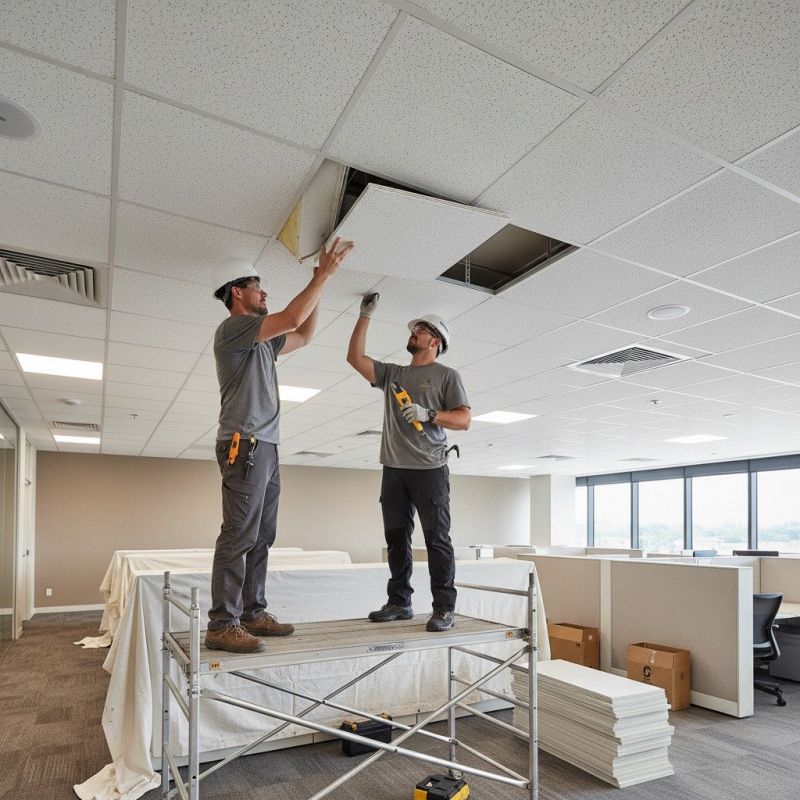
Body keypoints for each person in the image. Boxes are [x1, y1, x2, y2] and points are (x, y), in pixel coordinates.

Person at [206, 238, 354, 653]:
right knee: (239, 533)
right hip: (244, 444)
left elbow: (303, 332)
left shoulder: (262, 343)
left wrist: (318, 285)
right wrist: (324, 272)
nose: (264, 292)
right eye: (258, 286)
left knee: (262, 534)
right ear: (237, 292)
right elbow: (291, 317)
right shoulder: (234, 330)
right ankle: (222, 623)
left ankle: (252, 612)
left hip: (265, 446)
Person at [347, 293, 471, 632]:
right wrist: (364, 314)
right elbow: (354, 357)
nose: (413, 333)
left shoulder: (447, 376)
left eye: (420, 330)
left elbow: (464, 420)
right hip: (394, 470)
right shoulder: (394, 374)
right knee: (397, 539)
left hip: (430, 470)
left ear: (435, 341)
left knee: (437, 540)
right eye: (413, 329)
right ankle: (400, 602)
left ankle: (444, 608)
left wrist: (429, 414)